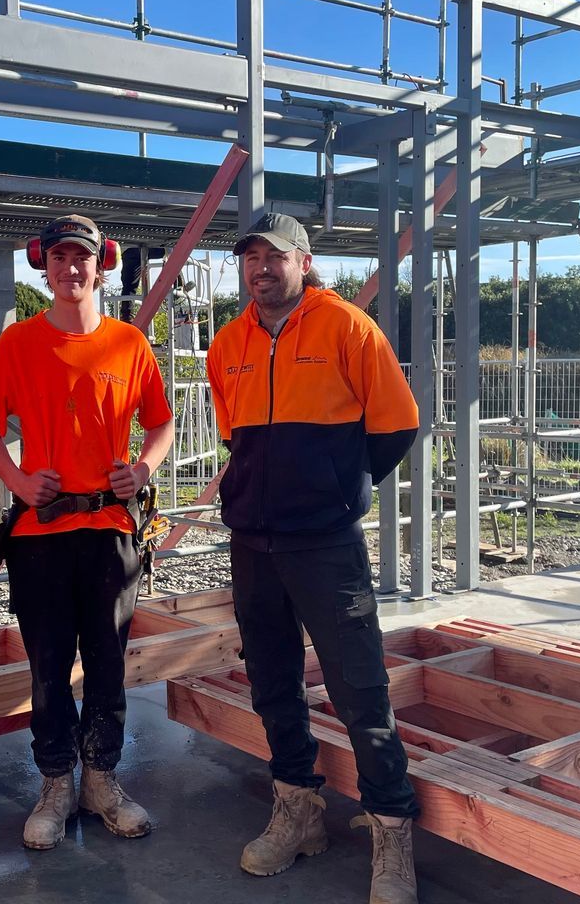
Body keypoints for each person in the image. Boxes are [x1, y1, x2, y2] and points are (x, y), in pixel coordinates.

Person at [206, 214, 421, 904]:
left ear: (304, 260)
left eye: (273, 257)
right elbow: (234, 437)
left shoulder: (348, 328)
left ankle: (391, 829)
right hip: (253, 542)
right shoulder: (229, 343)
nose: (261, 269)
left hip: (325, 543)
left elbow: (398, 424)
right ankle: (298, 807)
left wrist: (336, 491)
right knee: (272, 682)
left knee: (361, 689)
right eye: (250, 259)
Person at [0, 214, 174, 851]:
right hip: (41, 532)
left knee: (109, 662)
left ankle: (102, 781)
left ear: (102, 263)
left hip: (110, 530)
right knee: (49, 663)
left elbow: (161, 423)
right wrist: (18, 481)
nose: (70, 269)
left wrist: (142, 468)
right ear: (44, 265)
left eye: (81, 258)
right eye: (58, 259)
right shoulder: (17, 344)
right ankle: (56, 783)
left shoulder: (129, 344)